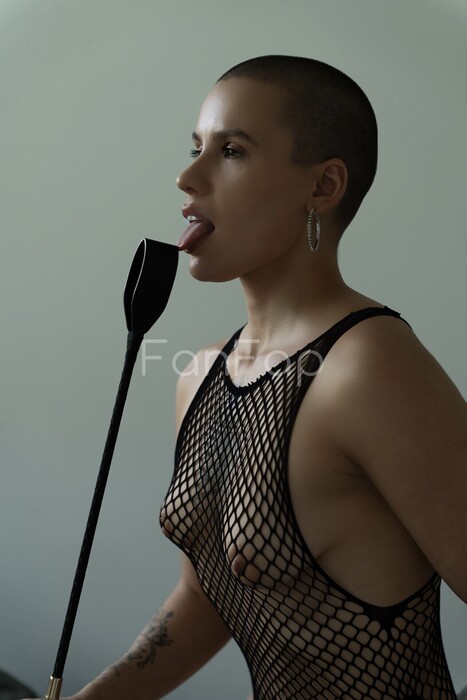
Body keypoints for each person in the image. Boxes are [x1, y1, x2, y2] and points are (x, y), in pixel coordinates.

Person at [26, 55, 466, 700]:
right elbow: (206, 599)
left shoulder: (370, 367)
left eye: (231, 151)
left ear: (323, 187)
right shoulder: (200, 373)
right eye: (196, 148)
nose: (187, 176)